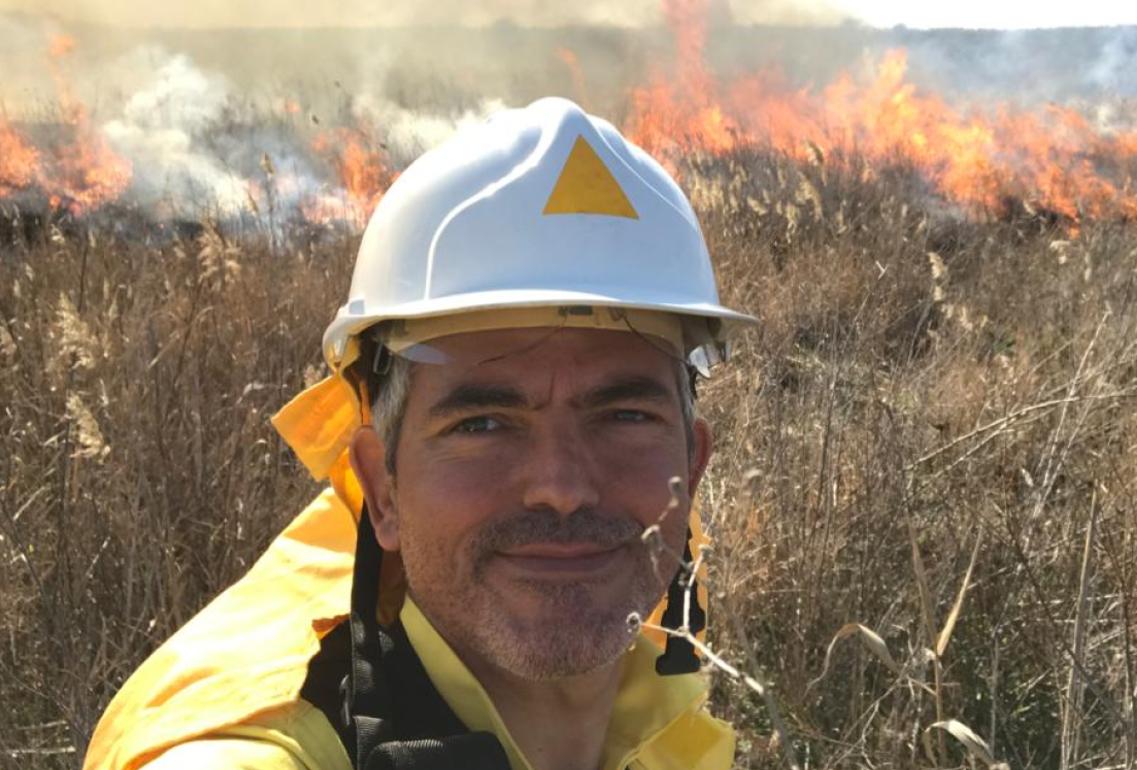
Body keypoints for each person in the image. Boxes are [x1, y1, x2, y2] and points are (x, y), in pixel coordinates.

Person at [85, 97, 757, 770]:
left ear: (691, 466)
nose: (561, 486)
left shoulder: (660, 696)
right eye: (484, 424)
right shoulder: (258, 752)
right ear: (381, 488)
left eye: (624, 416)